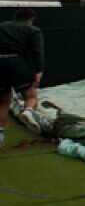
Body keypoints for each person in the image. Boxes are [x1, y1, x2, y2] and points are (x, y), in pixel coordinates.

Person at [0, 8, 45, 136]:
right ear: (31, 19)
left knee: (3, 101)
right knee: (31, 95)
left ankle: (0, 134)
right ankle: (28, 111)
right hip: (17, 63)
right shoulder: (33, 30)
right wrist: (39, 71)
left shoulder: (1, 27)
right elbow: (38, 52)